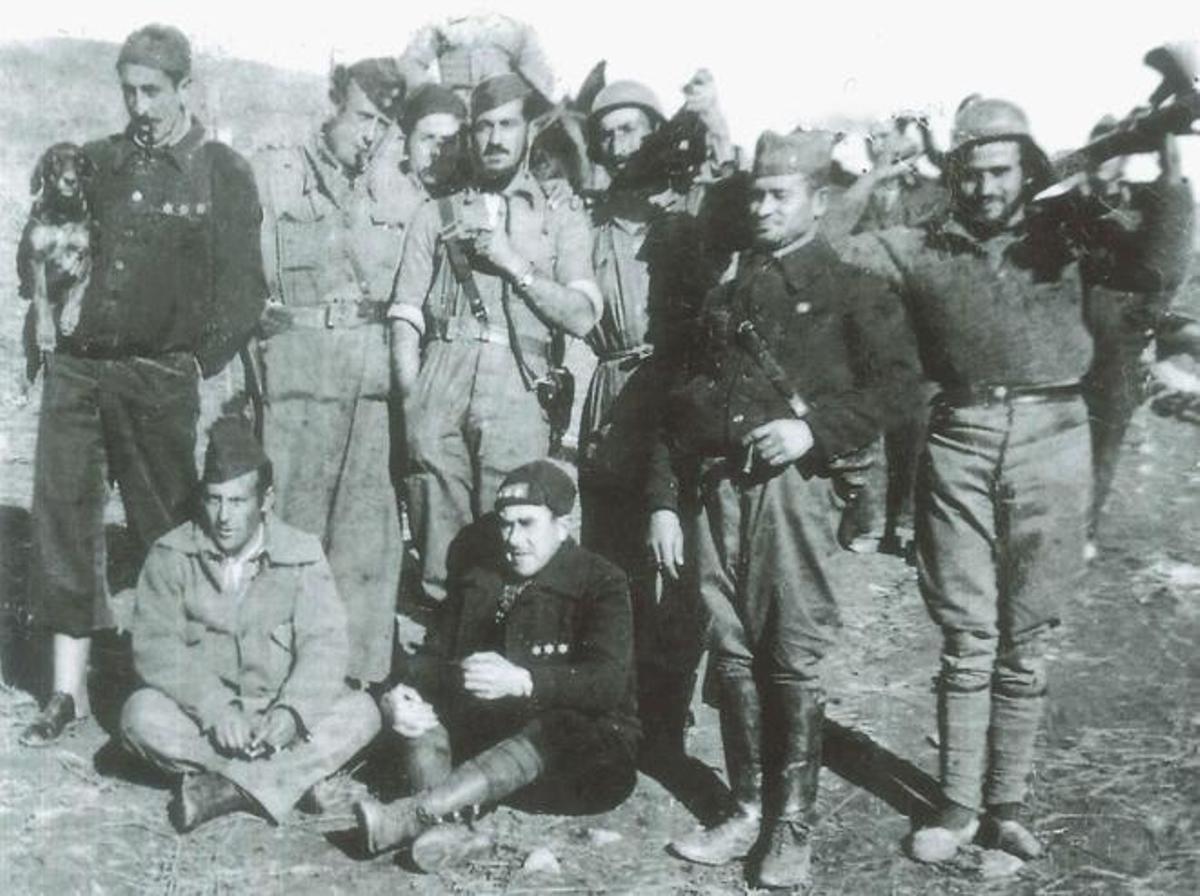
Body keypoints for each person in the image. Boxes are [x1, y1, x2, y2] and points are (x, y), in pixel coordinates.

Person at [836, 97, 1194, 864]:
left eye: (1002, 172)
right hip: (959, 439)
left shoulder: (1062, 235)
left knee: (1027, 637)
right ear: (952, 176)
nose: (987, 188)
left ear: (1026, 170)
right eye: (972, 173)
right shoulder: (920, 245)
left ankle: (1008, 805)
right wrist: (878, 173)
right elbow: (832, 249)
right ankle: (958, 805)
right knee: (968, 633)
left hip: (1055, 435)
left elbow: (1159, 264)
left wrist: (1163, 161)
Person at [648, 130, 921, 889]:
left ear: (819, 202)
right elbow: (682, 407)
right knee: (731, 650)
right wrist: (665, 502)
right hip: (717, 493)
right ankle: (744, 807)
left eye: (780, 195)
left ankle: (790, 824)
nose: (763, 208)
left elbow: (899, 388)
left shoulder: (852, 288)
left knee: (791, 650)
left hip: (793, 496)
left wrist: (812, 428)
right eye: (756, 195)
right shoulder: (727, 292)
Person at [20, 24, 265, 745]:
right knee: (63, 524)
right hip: (76, 375)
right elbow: (31, 252)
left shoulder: (219, 170)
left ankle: (178, 678)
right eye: (128, 91)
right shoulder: (93, 162)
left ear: (186, 87)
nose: (139, 105)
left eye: (152, 91)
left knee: (168, 527)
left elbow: (244, 291)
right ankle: (65, 692)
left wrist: (197, 366)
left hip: (160, 380)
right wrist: (48, 282)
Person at [354, 460, 637, 871]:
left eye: (527, 524)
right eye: (505, 525)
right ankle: (453, 832)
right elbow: (432, 658)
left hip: (580, 763)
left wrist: (524, 680)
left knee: (562, 725)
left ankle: (413, 815)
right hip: (489, 763)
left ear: (563, 524)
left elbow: (607, 684)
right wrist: (399, 695)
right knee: (421, 706)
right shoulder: (482, 579)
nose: (513, 540)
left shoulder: (602, 582)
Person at [389, 72, 601, 613]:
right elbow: (406, 316)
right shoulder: (434, 213)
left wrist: (512, 261)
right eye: (483, 126)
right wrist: (414, 402)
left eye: (508, 124)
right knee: (439, 554)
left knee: (514, 542)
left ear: (529, 130)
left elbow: (581, 317)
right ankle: (445, 671)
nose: (494, 138)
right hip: (441, 377)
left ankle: (502, 683)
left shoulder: (561, 216)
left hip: (519, 384)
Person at [577, 77, 735, 771]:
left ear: (657, 136)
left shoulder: (692, 217)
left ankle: (666, 725)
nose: (618, 148)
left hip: (678, 400)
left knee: (681, 571)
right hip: (615, 402)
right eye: (607, 136)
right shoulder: (590, 222)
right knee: (616, 565)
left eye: (632, 132)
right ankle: (622, 715)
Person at [120, 417, 381, 832]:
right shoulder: (171, 554)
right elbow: (155, 647)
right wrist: (214, 708)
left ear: (266, 500)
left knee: (363, 712)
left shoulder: (302, 553)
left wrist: (293, 713)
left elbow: (324, 644)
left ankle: (223, 790)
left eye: (238, 501)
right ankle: (291, 780)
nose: (223, 516)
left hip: (280, 714)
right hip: (207, 719)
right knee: (140, 715)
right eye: (213, 500)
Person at [252, 58, 416, 686]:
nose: (371, 135)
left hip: (371, 388)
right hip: (298, 381)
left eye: (384, 123)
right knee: (289, 537)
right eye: (362, 117)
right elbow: (252, 284)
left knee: (367, 544)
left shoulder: (403, 184)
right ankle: (273, 682)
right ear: (333, 103)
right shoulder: (279, 171)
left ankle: (354, 695)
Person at [1076, 119, 1195, 549]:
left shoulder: (1144, 204)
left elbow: (1173, 196)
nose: (1103, 162)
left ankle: (1083, 531)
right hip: (1069, 344)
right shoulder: (1073, 205)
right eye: (1099, 151)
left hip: (1118, 349)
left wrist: (1164, 134)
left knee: (1103, 443)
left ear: (1125, 158)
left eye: (1113, 152)